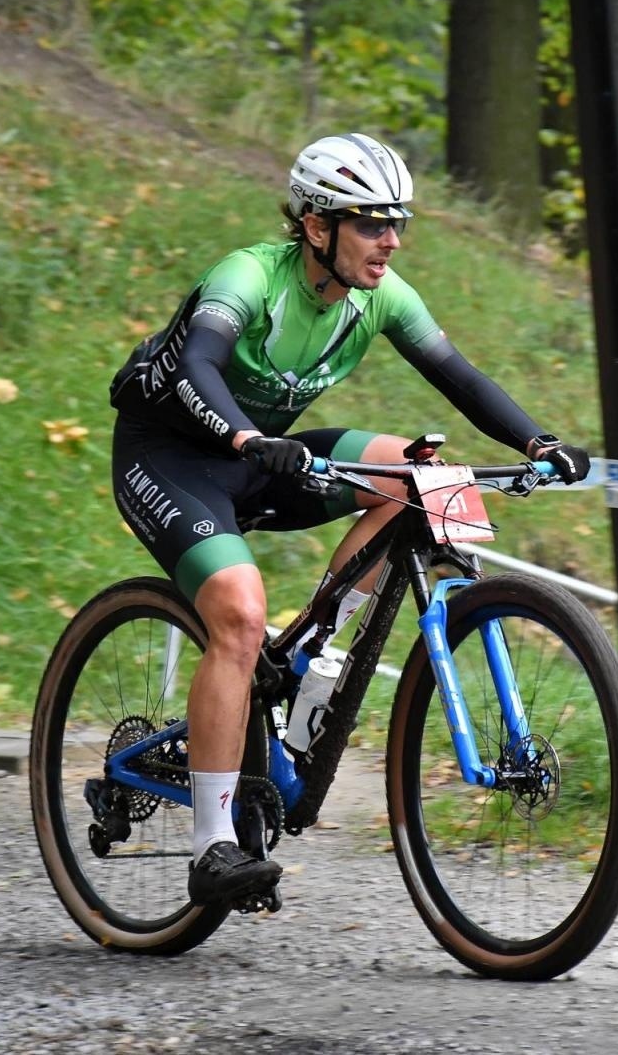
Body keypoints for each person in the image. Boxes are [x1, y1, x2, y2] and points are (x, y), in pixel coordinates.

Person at [107, 132, 592, 906]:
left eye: (397, 222)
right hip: (171, 456)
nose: (390, 240)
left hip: (265, 454)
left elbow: (458, 376)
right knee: (237, 613)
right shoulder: (249, 276)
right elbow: (201, 363)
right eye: (371, 223)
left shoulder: (381, 295)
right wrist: (247, 438)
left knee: (421, 472)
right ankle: (212, 847)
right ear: (316, 226)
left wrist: (539, 441)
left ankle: (311, 661)